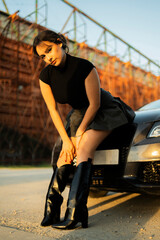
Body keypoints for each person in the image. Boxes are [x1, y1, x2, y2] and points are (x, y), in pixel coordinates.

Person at [33, 30, 135, 230]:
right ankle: (51, 210)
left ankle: (76, 211)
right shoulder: (45, 76)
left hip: (105, 109)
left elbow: (95, 104)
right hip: (79, 113)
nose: (48, 58)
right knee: (65, 154)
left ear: (60, 42)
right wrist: (66, 140)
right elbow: (53, 110)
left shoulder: (84, 67)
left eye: (49, 50)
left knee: (84, 148)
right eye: (43, 56)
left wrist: (79, 133)